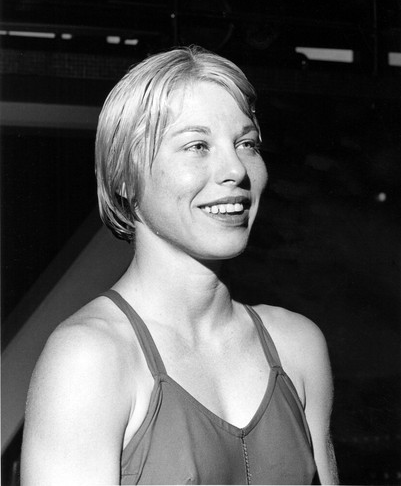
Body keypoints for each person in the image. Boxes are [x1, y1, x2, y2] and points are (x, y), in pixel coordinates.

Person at [21, 46, 338, 485]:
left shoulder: (297, 346)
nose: (235, 169)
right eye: (197, 145)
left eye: (246, 143)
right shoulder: (90, 359)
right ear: (126, 177)